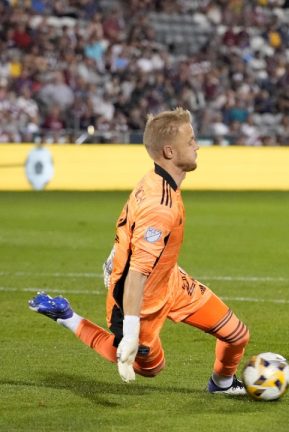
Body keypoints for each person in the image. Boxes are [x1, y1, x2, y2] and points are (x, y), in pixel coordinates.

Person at [28, 108, 251, 394]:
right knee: (149, 367)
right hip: (140, 301)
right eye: (191, 140)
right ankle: (67, 316)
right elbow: (137, 273)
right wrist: (131, 330)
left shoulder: (156, 180)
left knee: (236, 335)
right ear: (170, 151)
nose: (197, 146)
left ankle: (222, 385)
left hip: (170, 280)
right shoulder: (160, 206)